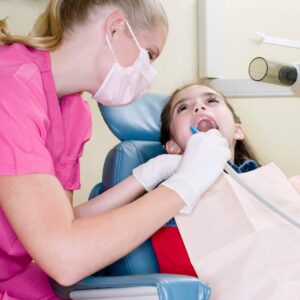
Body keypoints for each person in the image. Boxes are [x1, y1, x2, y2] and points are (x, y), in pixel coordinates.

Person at [0, 1, 231, 299]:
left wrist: (147, 176)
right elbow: (64, 256)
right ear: (114, 27)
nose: (149, 74)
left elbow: (60, 224)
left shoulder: (75, 111)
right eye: (148, 55)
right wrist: (184, 186)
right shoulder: (10, 85)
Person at [151, 83, 260, 276]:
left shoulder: (262, 183)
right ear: (173, 146)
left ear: (238, 131)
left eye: (211, 101)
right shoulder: (169, 202)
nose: (200, 108)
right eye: (183, 108)